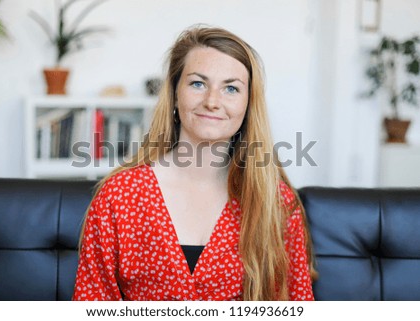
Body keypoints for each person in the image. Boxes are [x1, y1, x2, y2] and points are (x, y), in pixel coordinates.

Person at [73, 25, 316, 301]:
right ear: (175, 94)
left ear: (248, 105)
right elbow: (91, 304)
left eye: (231, 88)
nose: (213, 101)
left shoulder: (276, 203)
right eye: (198, 83)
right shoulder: (119, 195)